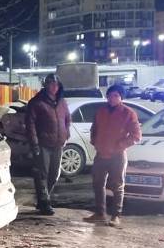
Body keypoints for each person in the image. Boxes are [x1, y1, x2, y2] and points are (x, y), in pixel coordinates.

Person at [84, 84, 142, 227]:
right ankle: (100, 213)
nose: (112, 98)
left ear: (121, 97)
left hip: (117, 155)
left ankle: (116, 215)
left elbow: (136, 135)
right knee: (98, 184)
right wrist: (95, 142)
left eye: (116, 95)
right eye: (110, 95)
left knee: (117, 186)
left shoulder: (128, 113)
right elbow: (94, 129)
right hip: (101, 154)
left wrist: (120, 146)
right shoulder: (101, 112)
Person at [24, 73, 71, 215]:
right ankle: (45, 202)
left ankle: (42, 198)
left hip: (58, 143)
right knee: (42, 174)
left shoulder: (62, 102)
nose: (54, 87)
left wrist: (66, 133)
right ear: (46, 85)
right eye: (51, 84)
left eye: (56, 84)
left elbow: (67, 119)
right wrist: (35, 143)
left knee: (54, 174)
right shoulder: (36, 102)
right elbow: (30, 124)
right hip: (43, 143)